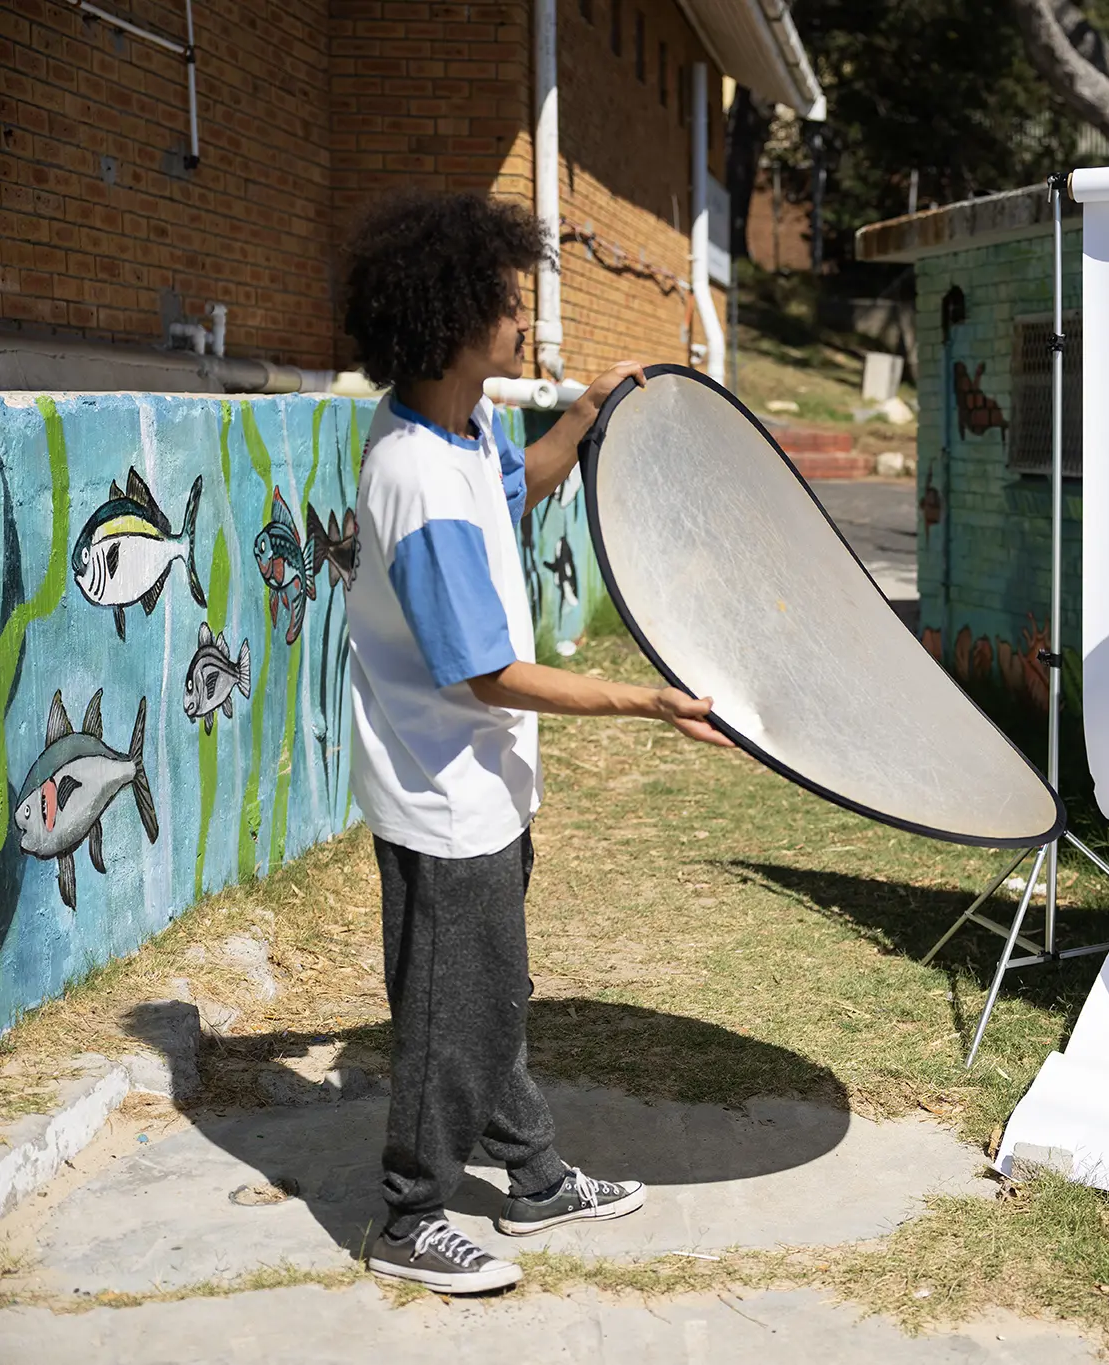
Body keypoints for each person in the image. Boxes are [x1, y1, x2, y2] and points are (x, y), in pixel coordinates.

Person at [339, 191, 733, 1293]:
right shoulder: (416, 480)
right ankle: (410, 1217)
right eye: (508, 304)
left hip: (479, 785)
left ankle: (534, 1177)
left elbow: (516, 483)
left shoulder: (451, 429)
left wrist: (584, 417)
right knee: (446, 1014)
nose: (523, 321)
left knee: (489, 991)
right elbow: (483, 671)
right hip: (441, 792)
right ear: (453, 317)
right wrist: (644, 703)